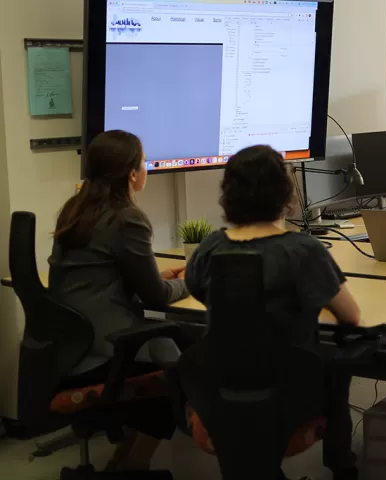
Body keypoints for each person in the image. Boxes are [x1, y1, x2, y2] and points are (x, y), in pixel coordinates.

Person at [185, 145, 362, 480]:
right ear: (284, 194)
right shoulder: (302, 250)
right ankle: (342, 465)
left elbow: (200, 294)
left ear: (229, 194)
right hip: (291, 393)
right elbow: (351, 316)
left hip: (222, 391)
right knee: (340, 364)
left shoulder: (209, 247)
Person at [49, 130, 190, 470]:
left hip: (70, 350)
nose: (146, 169)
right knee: (182, 365)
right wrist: (191, 282)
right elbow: (155, 298)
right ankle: (129, 468)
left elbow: (104, 275)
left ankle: (121, 463)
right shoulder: (127, 219)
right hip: (108, 352)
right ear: (131, 173)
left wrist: (160, 278)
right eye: (143, 163)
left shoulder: (74, 210)